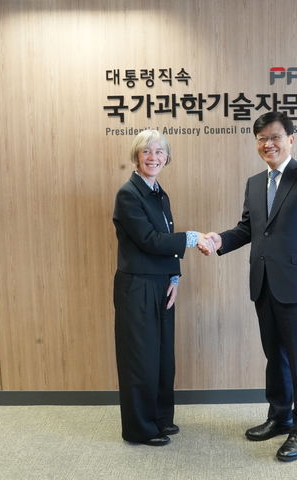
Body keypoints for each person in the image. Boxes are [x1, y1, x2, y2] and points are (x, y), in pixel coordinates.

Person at [201, 112, 297, 461]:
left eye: (274, 137)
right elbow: (248, 229)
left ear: (291, 139)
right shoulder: (255, 182)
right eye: (261, 138)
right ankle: (280, 416)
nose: (268, 144)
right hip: (263, 284)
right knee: (275, 357)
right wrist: (220, 240)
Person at [113, 129, 214, 446]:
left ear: (167, 158)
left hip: (161, 285)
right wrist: (193, 237)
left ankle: (159, 419)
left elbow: (166, 242)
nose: (153, 157)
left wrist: (174, 278)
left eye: (159, 152)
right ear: (136, 156)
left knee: (162, 358)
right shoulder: (128, 195)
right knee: (140, 359)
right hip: (137, 286)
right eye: (146, 151)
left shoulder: (159, 193)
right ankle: (139, 429)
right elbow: (150, 241)